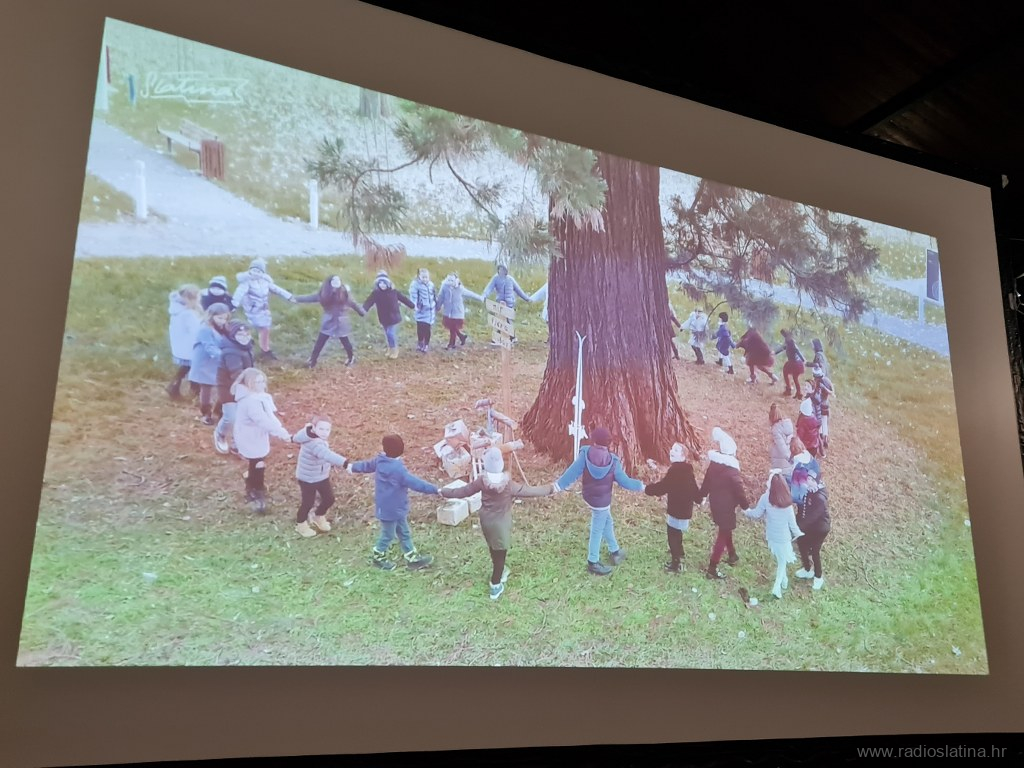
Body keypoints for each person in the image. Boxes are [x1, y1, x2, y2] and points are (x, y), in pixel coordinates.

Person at [440, 447, 556, 599]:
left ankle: (500, 571)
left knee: (493, 548)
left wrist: (442, 491)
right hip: (501, 525)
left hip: (486, 522)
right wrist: (551, 488)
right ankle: (495, 585)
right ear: (501, 463)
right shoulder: (508, 484)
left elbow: (462, 492)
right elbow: (530, 491)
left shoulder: (481, 481)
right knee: (501, 554)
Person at [553, 427, 644, 576]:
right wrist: (641, 486)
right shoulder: (613, 461)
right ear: (608, 443)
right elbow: (625, 481)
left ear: (593, 440)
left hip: (589, 497)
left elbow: (572, 472)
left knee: (607, 521)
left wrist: (558, 485)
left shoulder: (585, 454)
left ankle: (615, 550)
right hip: (602, 501)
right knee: (597, 529)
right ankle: (593, 561)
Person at [348, 433, 437, 571]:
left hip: (390, 508)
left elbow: (366, 465)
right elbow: (415, 483)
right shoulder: (397, 469)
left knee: (403, 532)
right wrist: (435, 490)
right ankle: (378, 556)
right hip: (392, 509)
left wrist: (352, 467)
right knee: (388, 535)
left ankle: (411, 557)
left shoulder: (380, 460)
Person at [232, 367, 292, 514]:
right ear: (249, 384)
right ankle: (254, 489)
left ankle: (255, 483)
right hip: (249, 436)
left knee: (258, 460)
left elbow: (270, 417)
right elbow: (263, 420)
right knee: (257, 461)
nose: (261, 385)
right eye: (257, 382)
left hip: (257, 434)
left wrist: (281, 431)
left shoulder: (260, 397)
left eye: (262, 381)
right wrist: (281, 433)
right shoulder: (250, 401)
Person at [698, 427, 750, 579]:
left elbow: (706, 483)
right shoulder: (733, 472)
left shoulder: (714, 465)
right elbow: (740, 491)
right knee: (723, 534)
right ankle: (712, 567)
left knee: (725, 529)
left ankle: (732, 554)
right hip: (727, 508)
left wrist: (701, 496)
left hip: (715, 504)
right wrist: (745, 507)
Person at [744, 470, 803, 599]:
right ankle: (777, 587)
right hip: (783, 538)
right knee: (782, 562)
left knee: (781, 560)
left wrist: (746, 511)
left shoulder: (766, 498)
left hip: (771, 536)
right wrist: (799, 533)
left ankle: (784, 581)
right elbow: (792, 524)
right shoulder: (787, 502)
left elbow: (756, 514)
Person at [644, 442, 702, 573]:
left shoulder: (674, 471)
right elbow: (694, 488)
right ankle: (680, 552)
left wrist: (648, 489)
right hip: (685, 510)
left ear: (683, 456)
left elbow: (663, 487)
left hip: (676, 509)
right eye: (672, 449)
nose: (671, 451)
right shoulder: (688, 471)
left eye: (676, 450)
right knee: (677, 531)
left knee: (672, 534)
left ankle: (675, 563)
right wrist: (699, 499)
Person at [291, 416, 348, 538]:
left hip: (321, 475)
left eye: (327, 429)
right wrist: (345, 463)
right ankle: (301, 524)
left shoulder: (316, 438)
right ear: (314, 427)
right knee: (308, 503)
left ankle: (318, 516)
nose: (324, 432)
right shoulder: (314, 443)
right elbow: (326, 455)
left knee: (329, 498)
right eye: (321, 429)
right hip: (308, 478)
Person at [295, 275, 366, 368]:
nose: (335, 288)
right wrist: (296, 298)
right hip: (329, 321)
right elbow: (310, 298)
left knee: (345, 341)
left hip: (341, 322)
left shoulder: (344, 293)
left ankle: (351, 357)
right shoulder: (324, 294)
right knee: (320, 341)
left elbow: (353, 303)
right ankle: (313, 360)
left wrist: (361, 312)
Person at [232, 258, 296, 361]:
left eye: (259, 271)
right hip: (252, 310)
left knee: (265, 329)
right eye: (254, 270)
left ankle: (265, 350)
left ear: (262, 273)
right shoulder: (246, 282)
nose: (256, 273)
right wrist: (234, 304)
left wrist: (289, 296)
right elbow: (239, 293)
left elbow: (277, 289)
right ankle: (246, 346)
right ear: (250, 270)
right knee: (249, 327)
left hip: (264, 310)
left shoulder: (266, 282)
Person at [213, 321, 254, 455]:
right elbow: (236, 372)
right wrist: (252, 384)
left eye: (247, 334)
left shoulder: (246, 346)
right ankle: (220, 434)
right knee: (231, 417)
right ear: (232, 335)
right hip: (227, 387)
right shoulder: (230, 352)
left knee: (243, 416)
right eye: (240, 334)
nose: (244, 337)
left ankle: (237, 444)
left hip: (243, 386)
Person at [188, 302, 232, 426]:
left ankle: (219, 409)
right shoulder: (205, 329)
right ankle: (206, 413)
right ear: (211, 316)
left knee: (224, 385)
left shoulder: (224, 328)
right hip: (205, 362)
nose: (222, 321)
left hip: (218, 362)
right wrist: (224, 357)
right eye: (219, 318)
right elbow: (209, 347)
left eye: (225, 318)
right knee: (206, 387)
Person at [792, 464, 830, 590]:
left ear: (817, 482)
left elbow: (812, 517)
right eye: (808, 478)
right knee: (802, 544)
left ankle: (818, 577)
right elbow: (801, 509)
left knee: (815, 552)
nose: (809, 482)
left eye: (812, 480)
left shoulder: (819, 498)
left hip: (819, 529)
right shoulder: (806, 490)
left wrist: (797, 528)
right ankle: (807, 569)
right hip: (808, 526)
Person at [362, 270, 414, 359]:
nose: (382, 285)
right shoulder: (376, 293)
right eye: (380, 283)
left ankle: (394, 349)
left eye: (384, 283)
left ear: (388, 283)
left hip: (393, 317)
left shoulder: (393, 292)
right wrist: (363, 310)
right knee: (387, 334)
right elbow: (369, 302)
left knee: (390, 333)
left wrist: (412, 305)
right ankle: (390, 348)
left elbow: (403, 298)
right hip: (383, 317)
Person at [166, 284, 202, 401]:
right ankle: (194, 390)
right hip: (190, 347)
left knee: (187, 367)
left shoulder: (177, 310)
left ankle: (177, 386)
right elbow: (196, 330)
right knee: (194, 368)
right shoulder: (188, 314)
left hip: (181, 345)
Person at [480, 265, 531, 343]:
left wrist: (527, 298)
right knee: (499, 319)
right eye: (500, 269)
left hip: (509, 303)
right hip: (500, 302)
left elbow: (518, 290)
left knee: (508, 320)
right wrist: (484, 295)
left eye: (503, 270)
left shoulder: (510, 279)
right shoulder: (495, 278)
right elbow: (489, 288)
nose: (501, 271)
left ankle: (512, 337)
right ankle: (497, 337)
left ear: (506, 271)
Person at [438, 271, 482, 349]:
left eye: (452, 280)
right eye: (449, 280)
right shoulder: (444, 287)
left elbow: (470, 294)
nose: (450, 282)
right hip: (448, 311)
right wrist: (437, 306)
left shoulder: (460, 289)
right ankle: (461, 336)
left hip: (457, 312)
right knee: (452, 327)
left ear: (456, 280)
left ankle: (452, 344)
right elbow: (440, 297)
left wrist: (480, 298)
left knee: (453, 327)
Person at [409, 268, 438, 353]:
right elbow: (413, 296)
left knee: (427, 328)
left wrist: (437, 304)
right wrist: (414, 305)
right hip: (420, 310)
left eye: (426, 277)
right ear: (419, 277)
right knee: (420, 328)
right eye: (423, 277)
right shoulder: (415, 285)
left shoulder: (431, 285)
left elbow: (434, 295)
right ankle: (420, 342)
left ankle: (426, 344)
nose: (425, 279)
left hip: (430, 310)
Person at [810, 365, 835, 458]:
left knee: (819, 421)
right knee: (825, 422)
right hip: (826, 404)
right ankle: (826, 438)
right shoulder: (827, 380)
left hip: (819, 405)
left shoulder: (817, 384)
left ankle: (821, 437)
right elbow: (831, 389)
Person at [775, 329, 807, 400]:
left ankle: (790, 389)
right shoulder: (789, 342)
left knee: (787, 372)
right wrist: (774, 353)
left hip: (794, 363)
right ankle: (798, 392)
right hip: (796, 363)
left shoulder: (791, 343)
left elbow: (797, 351)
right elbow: (783, 348)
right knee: (794, 378)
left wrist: (803, 360)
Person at [769, 402, 795, 471]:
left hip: (780, 460)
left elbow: (781, 446)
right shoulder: (789, 424)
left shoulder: (776, 429)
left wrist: (789, 458)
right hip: (789, 456)